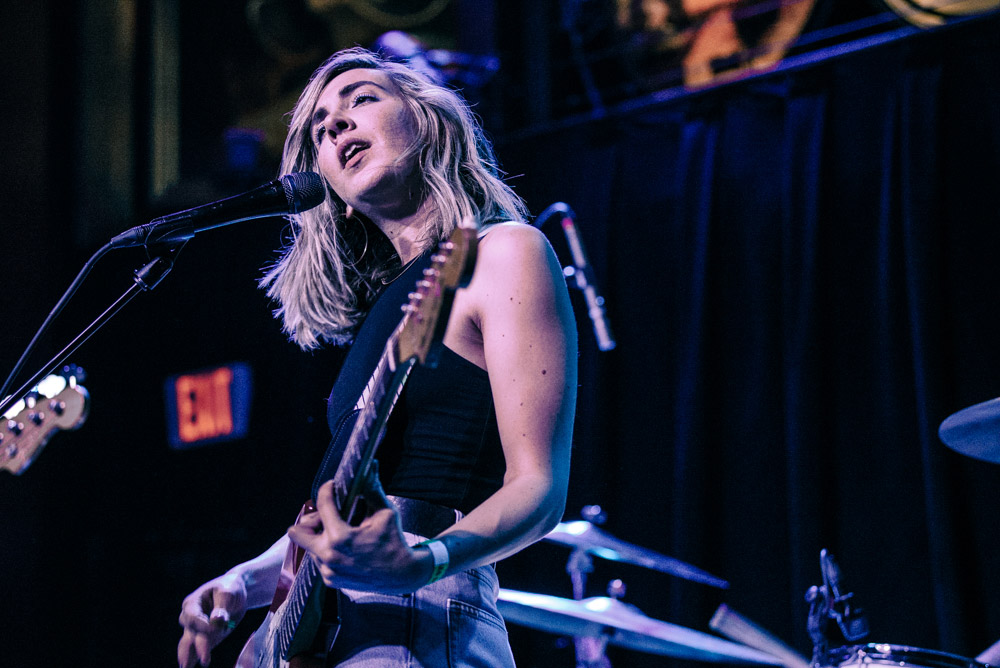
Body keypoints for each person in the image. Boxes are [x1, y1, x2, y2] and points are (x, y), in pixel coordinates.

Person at [176, 47, 577, 667]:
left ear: (430, 123)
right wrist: (243, 581)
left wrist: (424, 560)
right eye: (319, 129)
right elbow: (330, 528)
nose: (334, 124)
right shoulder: (388, 311)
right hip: (324, 625)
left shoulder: (502, 251)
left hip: (420, 614)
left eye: (361, 99)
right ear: (333, 193)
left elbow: (539, 489)